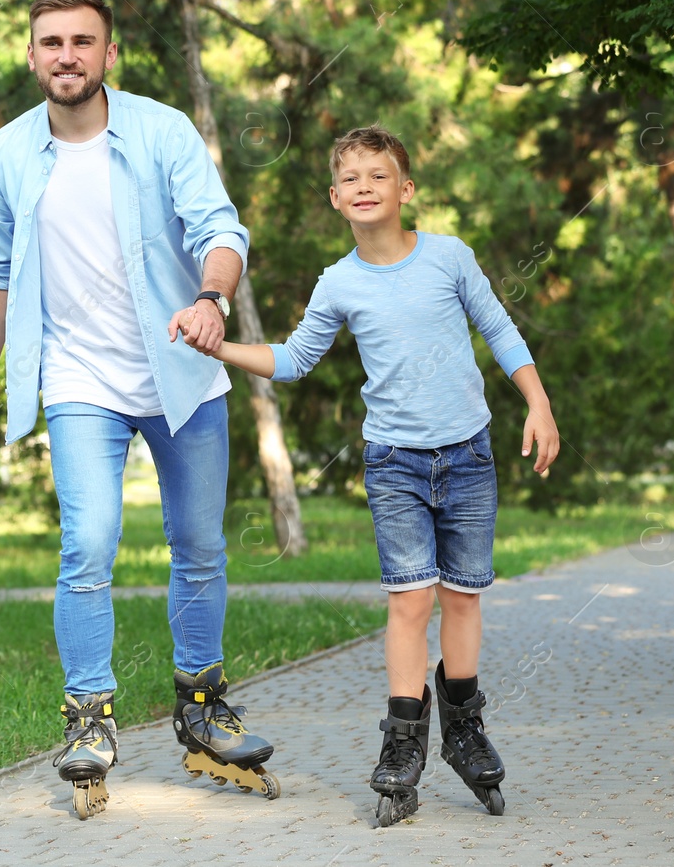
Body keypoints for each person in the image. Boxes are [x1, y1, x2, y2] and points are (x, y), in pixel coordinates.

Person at [0, 0, 279, 819]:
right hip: (77, 380)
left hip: (181, 370)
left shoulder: (161, 130)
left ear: (108, 54)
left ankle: (203, 704)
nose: (66, 54)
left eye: (82, 41)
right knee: (88, 545)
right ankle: (88, 718)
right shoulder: (7, 153)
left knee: (199, 542)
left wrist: (211, 299)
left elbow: (221, 228)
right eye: (50, 42)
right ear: (32, 56)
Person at [207, 124, 560, 827]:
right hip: (395, 462)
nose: (366, 186)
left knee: (462, 598)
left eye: (380, 174)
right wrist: (221, 348)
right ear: (336, 197)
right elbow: (295, 357)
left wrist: (538, 403)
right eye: (353, 178)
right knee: (410, 601)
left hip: (468, 456)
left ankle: (463, 725)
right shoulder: (339, 282)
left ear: (406, 189)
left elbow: (498, 327)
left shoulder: (449, 257)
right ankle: (404, 746)